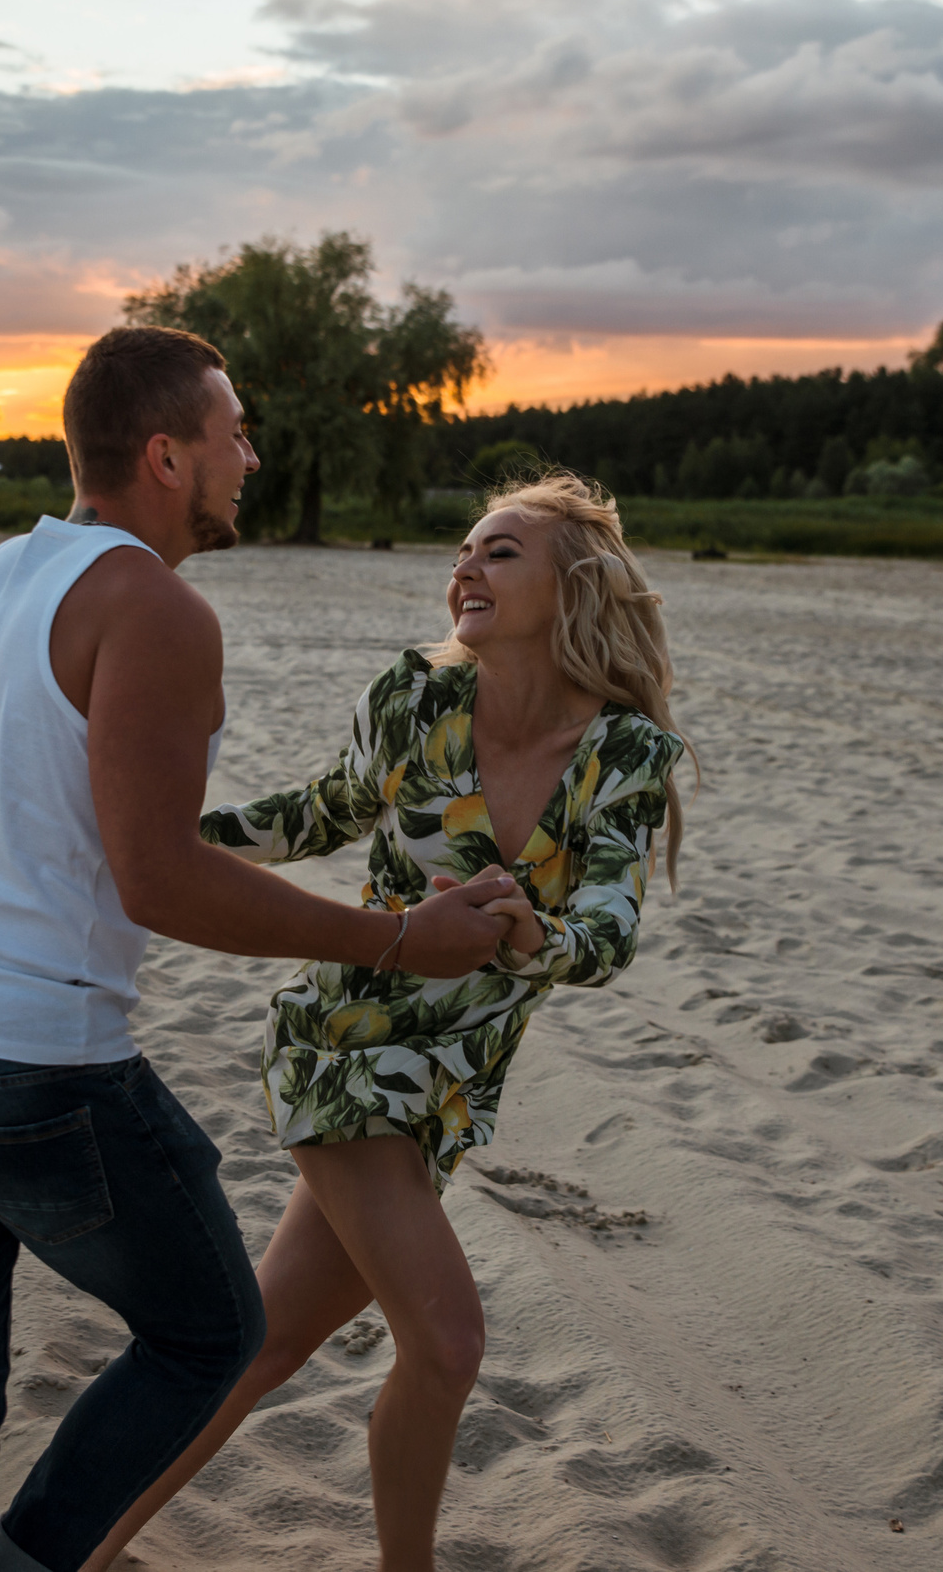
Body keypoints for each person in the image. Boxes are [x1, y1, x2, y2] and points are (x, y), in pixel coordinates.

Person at [0, 324, 529, 1572]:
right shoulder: (153, 604)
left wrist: (23, 831)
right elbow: (157, 878)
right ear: (164, 454)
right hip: (31, 1065)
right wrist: (397, 939)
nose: (250, 457)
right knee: (211, 1334)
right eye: (233, 433)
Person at [84, 471, 688, 1572]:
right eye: (463, 548)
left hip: (453, 1080)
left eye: (500, 550)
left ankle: (65, 1545)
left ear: (575, 584)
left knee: (256, 1348)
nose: (465, 565)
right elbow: (316, 812)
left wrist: (529, 939)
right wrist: (147, 830)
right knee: (448, 1340)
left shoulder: (625, 753)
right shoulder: (414, 696)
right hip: (351, 1048)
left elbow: (608, 924)